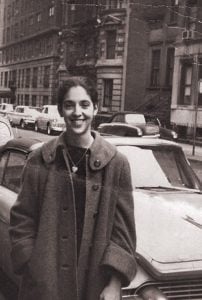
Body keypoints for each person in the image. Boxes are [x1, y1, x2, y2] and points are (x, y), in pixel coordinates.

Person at [9, 77, 136, 300]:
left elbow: (123, 232)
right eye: (69, 105)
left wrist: (115, 284)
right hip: (45, 285)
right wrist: (33, 264)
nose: (77, 112)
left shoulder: (117, 164)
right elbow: (22, 218)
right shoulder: (40, 159)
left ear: (95, 108)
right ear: (60, 110)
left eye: (84, 105)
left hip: (95, 285)